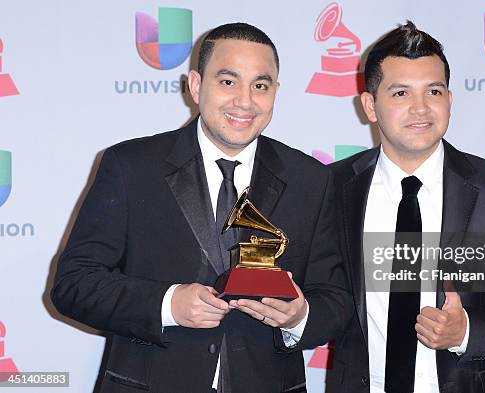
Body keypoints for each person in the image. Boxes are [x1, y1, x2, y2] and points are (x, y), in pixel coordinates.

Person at [51, 23, 351, 393]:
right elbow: (74, 284)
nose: (245, 100)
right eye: (228, 82)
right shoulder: (130, 166)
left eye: (261, 85)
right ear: (196, 85)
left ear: (275, 91)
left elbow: (336, 300)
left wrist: (300, 316)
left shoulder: (311, 180)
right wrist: (167, 304)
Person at [328, 21, 485, 393]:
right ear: (370, 106)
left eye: (433, 91)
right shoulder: (334, 186)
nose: (420, 108)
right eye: (400, 93)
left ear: (449, 100)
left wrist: (466, 331)